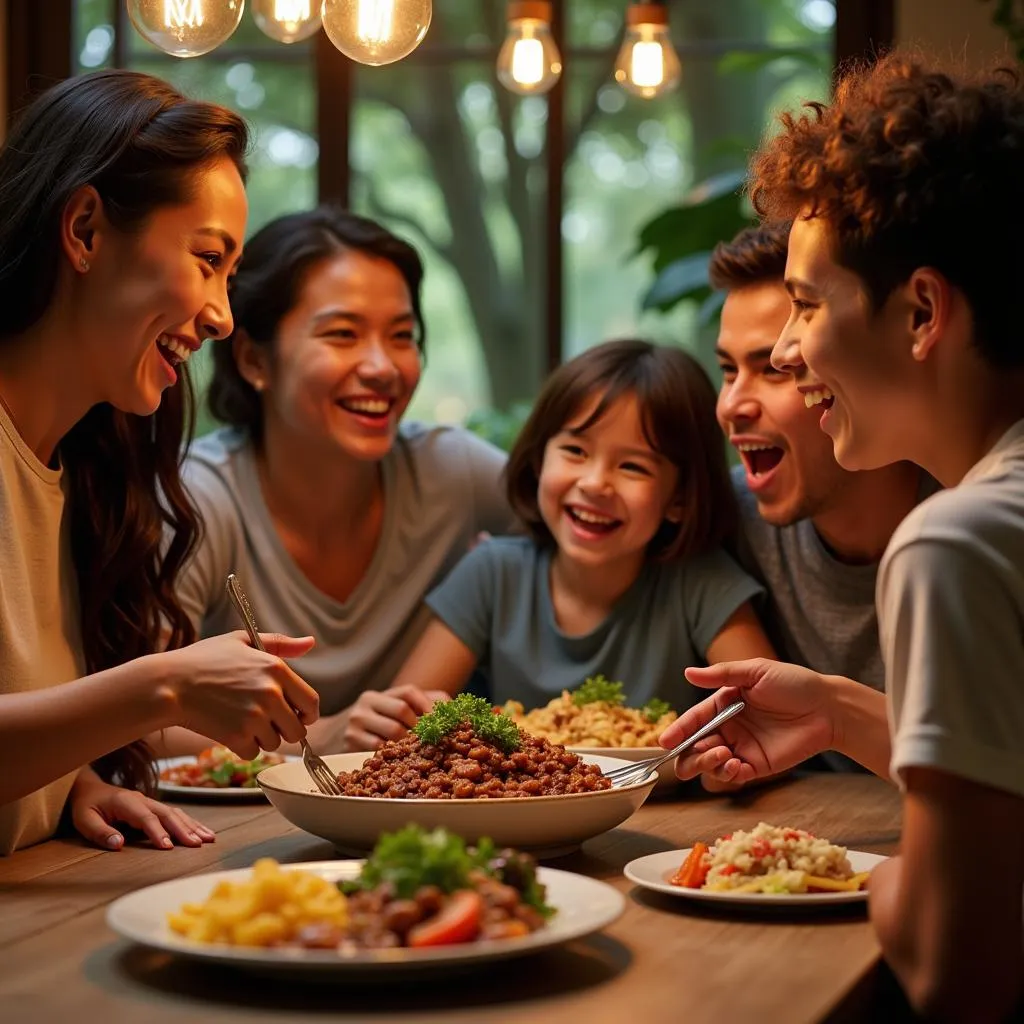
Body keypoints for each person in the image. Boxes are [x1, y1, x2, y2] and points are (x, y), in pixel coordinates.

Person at [661, 52, 1024, 1021]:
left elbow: (961, 970)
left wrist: (855, 875)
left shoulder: (954, 539)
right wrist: (835, 710)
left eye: (808, 306)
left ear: (918, 313)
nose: (785, 349)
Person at [0, 70, 321, 857]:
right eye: (207, 259)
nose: (221, 315)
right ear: (83, 230)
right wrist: (163, 686)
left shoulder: (87, 467)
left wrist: (70, 780)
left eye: (230, 276)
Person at [160, 207, 512, 757]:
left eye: (401, 335)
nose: (382, 367)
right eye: (343, 334)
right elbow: (138, 723)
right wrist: (323, 735)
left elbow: (582, 518)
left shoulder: (453, 472)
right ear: (254, 358)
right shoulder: (198, 499)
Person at [360, 339, 774, 747]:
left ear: (680, 499)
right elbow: (405, 726)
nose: (594, 484)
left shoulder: (701, 583)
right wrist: (388, 722)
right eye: (575, 450)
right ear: (540, 460)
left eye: (632, 466)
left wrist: (732, 765)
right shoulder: (493, 574)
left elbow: (773, 718)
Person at [710, 222, 928, 769]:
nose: (732, 404)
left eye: (773, 370)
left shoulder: (976, 521)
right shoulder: (728, 517)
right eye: (726, 370)